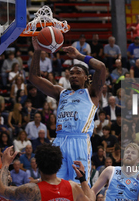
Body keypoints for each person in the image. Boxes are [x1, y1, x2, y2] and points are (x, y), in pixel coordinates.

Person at [29, 38, 105, 184]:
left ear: (87, 77)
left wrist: (79, 56)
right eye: (71, 73)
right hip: (59, 141)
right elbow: (34, 78)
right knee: (54, 184)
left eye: (78, 72)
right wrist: (38, 49)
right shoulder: (61, 93)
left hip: (80, 141)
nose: (74, 75)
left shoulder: (92, 93)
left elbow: (101, 67)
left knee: (81, 188)